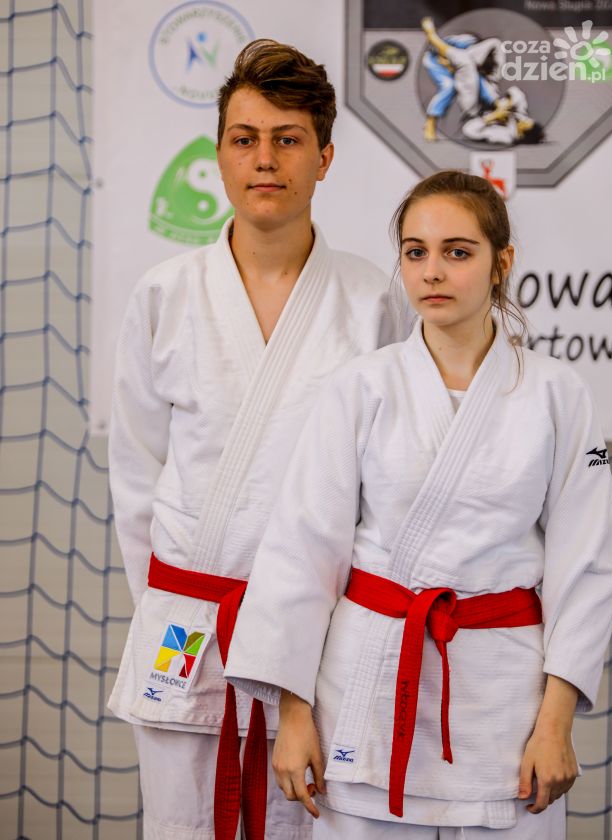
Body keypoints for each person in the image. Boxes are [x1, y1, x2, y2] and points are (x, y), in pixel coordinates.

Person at [225, 170, 612, 838]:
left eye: (457, 252)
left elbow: (588, 566)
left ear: (501, 263)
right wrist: (293, 715)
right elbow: (301, 551)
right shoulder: (359, 387)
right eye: (415, 252)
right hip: (368, 682)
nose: (432, 271)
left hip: (503, 703)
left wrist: (554, 726)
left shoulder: (560, 395)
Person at [107, 39, 408, 840]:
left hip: (319, 639)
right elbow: (135, 473)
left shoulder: (372, 302)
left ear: (324, 158)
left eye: (287, 139)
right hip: (185, 623)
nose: (264, 159)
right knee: (179, 824)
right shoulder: (164, 296)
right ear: (219, 155)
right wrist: (168, 602)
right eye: (244, 139)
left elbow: (389, 488)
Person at [421, 17, 503, 141]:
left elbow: (487, 86)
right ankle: (430, 123)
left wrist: (499, 107)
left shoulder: (488, 62)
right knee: (449, 86)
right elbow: (434, 41)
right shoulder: (463, 53)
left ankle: (486, 115)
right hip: (435, 59)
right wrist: (429, 29)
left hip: (460, 61)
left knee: (480, 84)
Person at [462, 87, 544, 146]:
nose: (523, 120)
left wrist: (494, 116)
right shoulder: (519, 117)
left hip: (477, 113)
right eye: (527, 120)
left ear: (521, 134)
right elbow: (516, 92)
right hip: (492, 102)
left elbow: (468, 130)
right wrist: (507, 105)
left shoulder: (504, 136)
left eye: (524, 123)